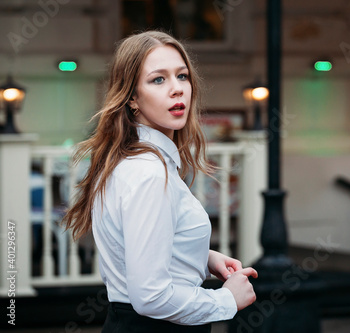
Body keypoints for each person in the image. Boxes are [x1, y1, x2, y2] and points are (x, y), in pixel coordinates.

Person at [62, 30, 258, 332]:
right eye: (158, 79)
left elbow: (141, 244)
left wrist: (202, 256)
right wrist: (226, 301)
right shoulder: (149, 174)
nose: (177, 89)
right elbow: (151, 296)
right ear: (132, 99)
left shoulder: (130, 160)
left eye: (182, 76)